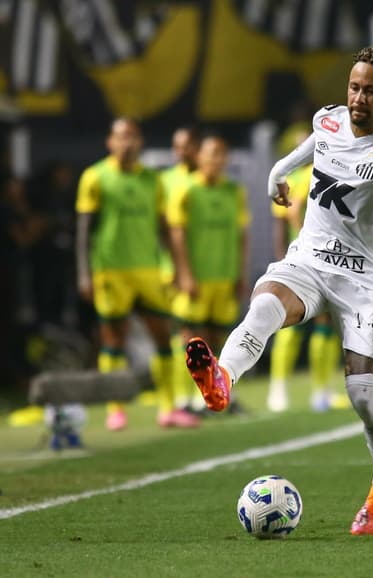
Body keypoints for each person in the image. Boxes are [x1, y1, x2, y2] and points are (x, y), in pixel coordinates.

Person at [184, 47, 373, 535]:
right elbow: (311, 148)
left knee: (365, 396)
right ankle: (221, 379)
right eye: (354, 86)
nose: (358, 97)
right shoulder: (329, 119)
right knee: (264, 303)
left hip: (364, 281)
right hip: (310, 259)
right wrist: (276, 177)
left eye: (371, 90)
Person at [75, 118, 179, 430]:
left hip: (148, 269)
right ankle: (115, 410)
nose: (127, 143)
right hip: (111, 271)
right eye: (121, 137)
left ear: (140, 142)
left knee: (162, 335)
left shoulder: (153, 180)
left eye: (132, 137)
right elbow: (84, 231)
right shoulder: (94, 177)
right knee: (113, 340)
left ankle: (168, 407)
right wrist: (84, 273)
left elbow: (163, 228)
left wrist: (171, 266)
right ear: (110, 142)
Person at [266, 122, 349, 414]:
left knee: (326, 326)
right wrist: (280, 262)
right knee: (288, 324)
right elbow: (282, 223)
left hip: (329, 264)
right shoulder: (297, 180)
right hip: (298, 262)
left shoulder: (335, 179)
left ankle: (321, 391)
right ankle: (277, 389)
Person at [168, 133, 250, 424]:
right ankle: (184, 399)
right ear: (198, 157)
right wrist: (184, 274)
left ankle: (220, 394)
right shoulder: (186, 190)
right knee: (190, 339)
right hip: (197, 278)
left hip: (224, 276)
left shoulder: (234, 191)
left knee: (220, 338)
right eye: (209, 153)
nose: (215, 160)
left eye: (220, 154)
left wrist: (240, 273)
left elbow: (241, 235)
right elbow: (176, 235)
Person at [160, 126, 203, 414]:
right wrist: (176, 268)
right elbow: (163, 229)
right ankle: (179, 397)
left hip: (208, 269)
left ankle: (201, 395)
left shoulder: (208, 180)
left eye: (186, 145)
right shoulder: (164, 182)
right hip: (174, 270)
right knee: (183, 332)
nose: (181, 152)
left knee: (205, 334)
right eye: (177, 146)